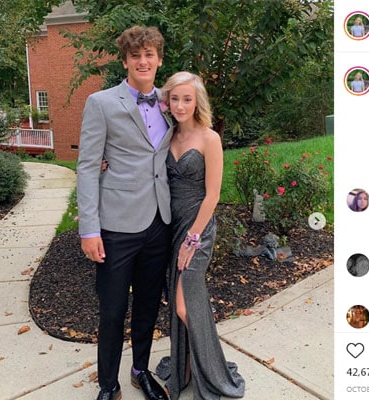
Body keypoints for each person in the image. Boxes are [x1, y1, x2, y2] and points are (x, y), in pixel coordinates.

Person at [77, 26, 172, 400]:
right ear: (125, 61)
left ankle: (140, 371)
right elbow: (87, 166)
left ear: (159, 59)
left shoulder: (170, 101)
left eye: (149, 55)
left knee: (148, 306)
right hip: (116, 226)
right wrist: (89, 230)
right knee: (113, 311)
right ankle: (108, 384)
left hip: (159, 223)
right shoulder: (101, 103)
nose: (143, 61)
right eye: (136, 56)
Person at [159, 71, 246, 399]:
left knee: (186, 306)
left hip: (198, 229)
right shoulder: (167, 136)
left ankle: (212, 374)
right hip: (171, 229)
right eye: (175, 98)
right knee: (180, 303)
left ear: (197, 102)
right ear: (167, 101)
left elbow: (213, 196)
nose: (180, 105)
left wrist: (192, 240)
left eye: (187, 99)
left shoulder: (210, 138)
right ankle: (185, 368)